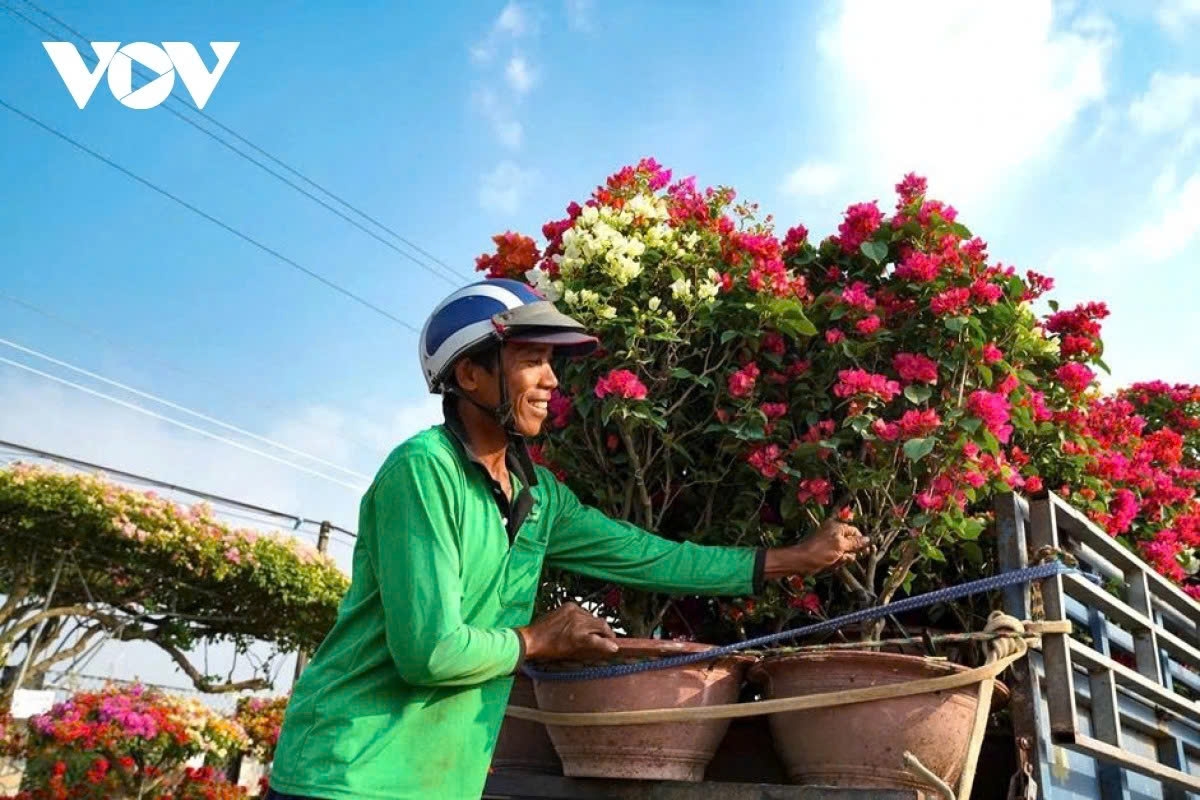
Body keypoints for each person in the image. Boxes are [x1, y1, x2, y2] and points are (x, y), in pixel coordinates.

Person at [266, 278, 870, 800]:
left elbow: (650, 556)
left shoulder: (538, 494)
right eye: (532, 358)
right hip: (346, 774)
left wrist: (793, 557)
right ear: (470, 373)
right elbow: (429, 652)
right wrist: (539, 639)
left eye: (553, 362)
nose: (553, 379)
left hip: (440, 782)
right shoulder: (423, 471)